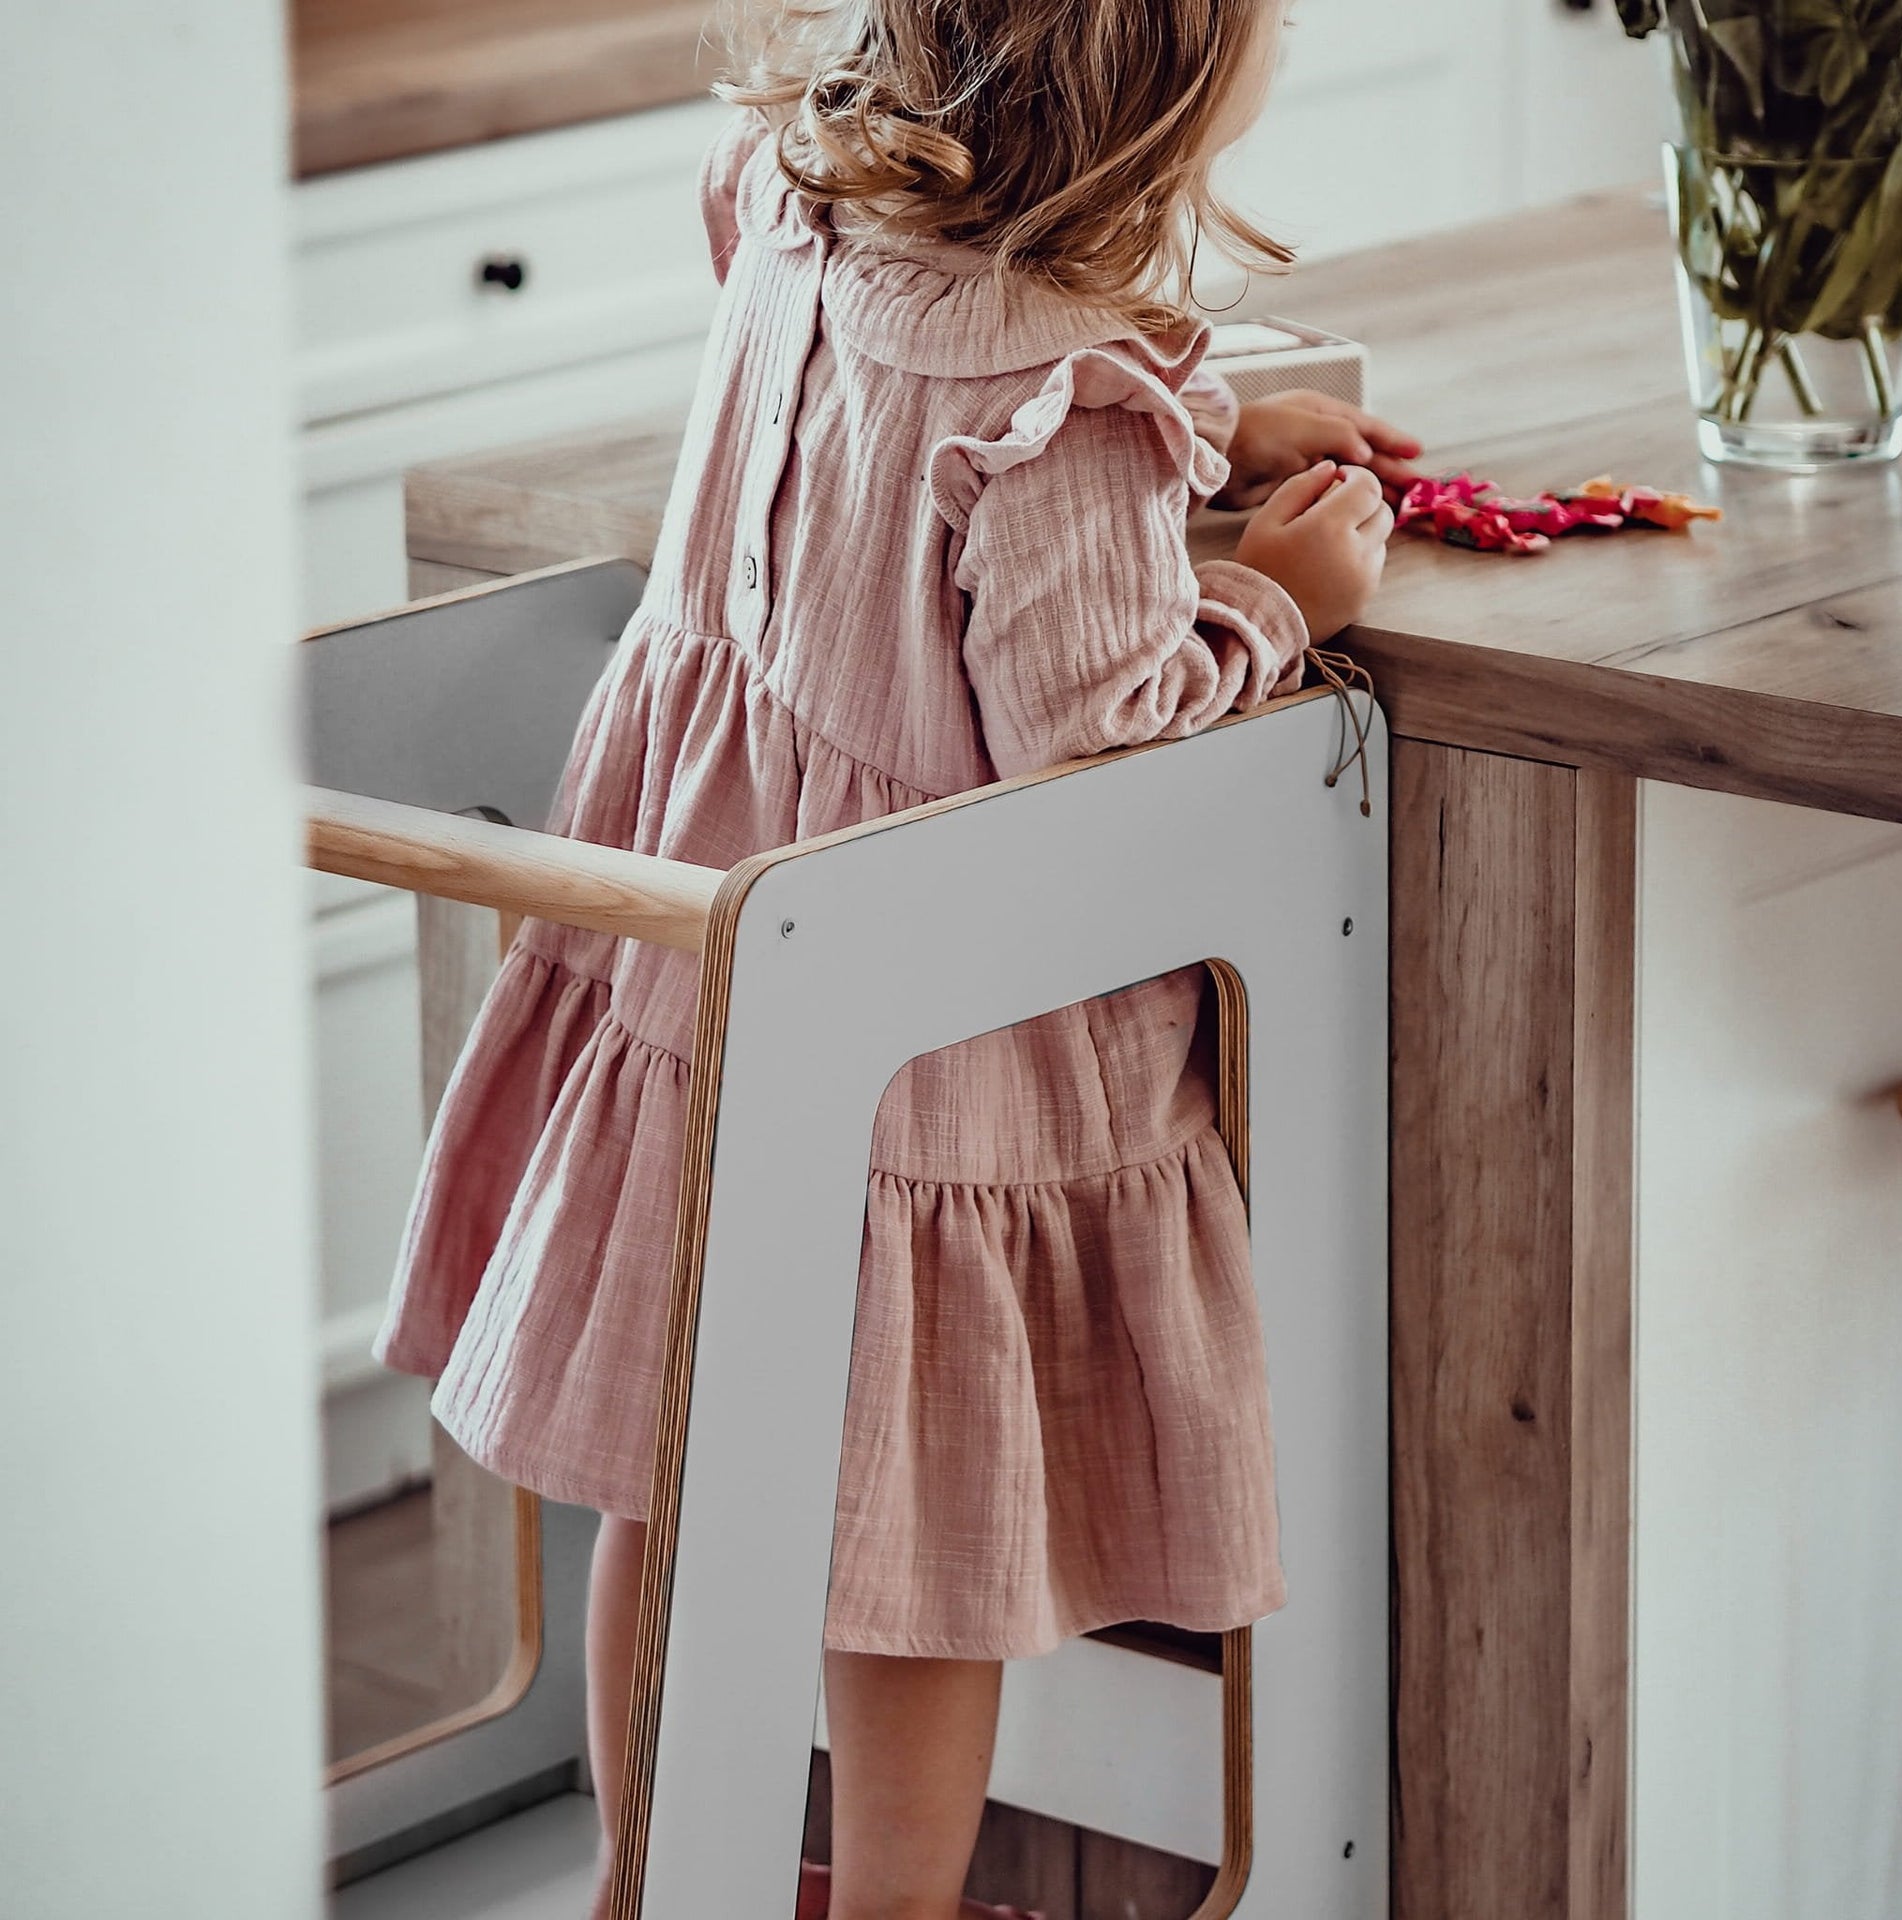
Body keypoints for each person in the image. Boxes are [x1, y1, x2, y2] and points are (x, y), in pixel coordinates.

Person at [374, 1, 1421, 1913]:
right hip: (931, 1049)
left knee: (679, 1475)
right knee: (917, 1557)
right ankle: (898, 1909)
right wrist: (1278, 593)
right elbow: (1096, 726)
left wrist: (1191, 424)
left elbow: (899, 429)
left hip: (706, 961)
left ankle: (655, 1875)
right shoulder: (1059, 398)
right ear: (1159, 95)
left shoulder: (789, 207)